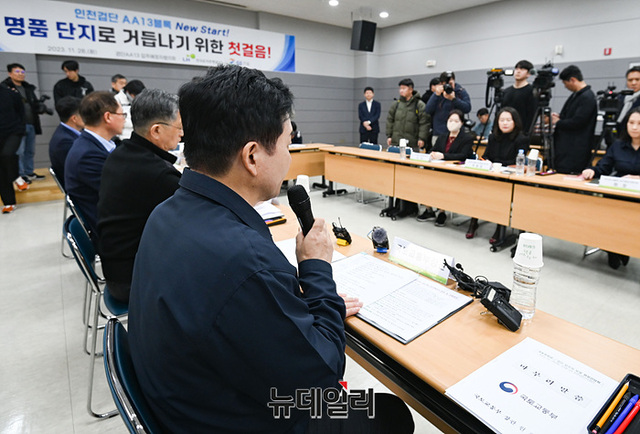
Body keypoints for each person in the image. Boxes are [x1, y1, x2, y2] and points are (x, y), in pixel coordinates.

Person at [128, 64, 413, 434]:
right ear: (252, 157)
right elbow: (324, 376)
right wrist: (317, 271)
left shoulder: (166, 213)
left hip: (195, 400)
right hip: (252, 415)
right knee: (389, 413)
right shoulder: (246, 261)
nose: (290, 157)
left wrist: (300, 305)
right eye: (287, 143)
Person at [97, 89, 182, 303]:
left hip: (116, 267)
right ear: (156, 130)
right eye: (179, 127)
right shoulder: (156, 174)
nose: (182, 133)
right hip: (131, 281)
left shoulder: (120, 154)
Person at [582, 107, 640, 269]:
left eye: (639, 123)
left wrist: (636, 178)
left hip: (637, 199)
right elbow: (604, 167)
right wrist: (592, 171)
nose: (635, 127)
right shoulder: (617, 146)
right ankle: (612, 249)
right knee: (609, 216)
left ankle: (625, 249)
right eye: (631, 122)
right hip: (617, 194)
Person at [64, 91, 125, 239]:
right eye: (122, 114)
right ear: (108, 117)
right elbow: (122, 194)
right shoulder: (87, 156)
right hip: (112, 232)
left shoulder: (95, 144)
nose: (124, 119)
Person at [466, 107, 529, 240]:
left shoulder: (521, 139)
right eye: (501, 120)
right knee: (477, 188)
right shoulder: (493, 137)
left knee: (501, 192)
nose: (504, 123)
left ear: (515, 122)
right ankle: (473, 222)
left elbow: (518, 163)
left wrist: (497, 164)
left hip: (509, 178)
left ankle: (500, 227)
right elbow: (486, 156)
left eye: (508, 120)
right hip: (492, 175)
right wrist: (487, 161)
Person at [386, 78, 429, 219]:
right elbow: (390, 120)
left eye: (404, 88)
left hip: (412, 144)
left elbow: (424, 122)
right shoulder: (397, 104)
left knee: (409, 176)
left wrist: (422, 138)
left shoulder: (419, 104)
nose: (401, 91)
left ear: (411, 89)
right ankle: (397, 204)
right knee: (397, 174)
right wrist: (389, 135)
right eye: (400, 88)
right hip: (397, 143)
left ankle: (410, 206)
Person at [428, 109, 474, 226]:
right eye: (450, 120)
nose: (452, 123)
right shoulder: (442, 137)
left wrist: (443, 156)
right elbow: (433, 150)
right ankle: (428, 209)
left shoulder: (467, 138)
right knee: (426, 179)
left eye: (456, 121)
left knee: (442, 183)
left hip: (456, 172)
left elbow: (463, 155)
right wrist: (432, 154)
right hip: (439, 170)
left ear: (461, 123)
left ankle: (442, 212)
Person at [3, 63, 45, 183]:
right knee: (19, 151)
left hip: (31, 123)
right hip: (16, 125)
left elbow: (33, 103)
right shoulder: (5, 88)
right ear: (10, 73)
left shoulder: (28, 88)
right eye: (17, 72)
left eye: (22, 72)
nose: (20, 74)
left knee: (30, 150)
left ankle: (29, 171)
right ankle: (20, 174)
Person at [551, 65, 597, 174]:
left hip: (575, 150)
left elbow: (578, 122)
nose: (565, 87)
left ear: (572, 80)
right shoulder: (576, 95)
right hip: (566, 147)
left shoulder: (587, 97)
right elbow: (571, 116)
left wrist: (558, 122)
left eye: (565, 83)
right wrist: (559, 117)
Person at [425, 71, 472, 144]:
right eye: (445, 84)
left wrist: (454, 99)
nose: (448, 86)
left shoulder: (460, 92)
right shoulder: (438, 94)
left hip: (456, 134)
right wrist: (436, 95)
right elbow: (428, 110)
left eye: (450, 83)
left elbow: (467, 108)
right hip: (439, 134)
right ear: (441, 83)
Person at [0, 82, 25, 214]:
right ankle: (9, 202)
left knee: (8, 154)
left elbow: (21, 111)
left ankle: (16, 177)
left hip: (13, 132)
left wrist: (21, 128)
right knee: (1, 170)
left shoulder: (10, 93)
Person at [48, 96, 84, 189]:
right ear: (74, 118)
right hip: (78, 189)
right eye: (84, 114)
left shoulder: (66, 133)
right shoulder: (65, 142)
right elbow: (79, 171)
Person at [501, 60, 536, 134]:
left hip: (522, 131)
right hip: (505, 131)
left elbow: (532, 115)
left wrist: (526, 133)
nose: (518, 71)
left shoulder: (531, 91)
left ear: (528, 74)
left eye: (522, 69)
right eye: (516, 69)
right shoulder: (506, 91)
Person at [617, 66, 640, 132]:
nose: (633, 83)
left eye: (637, 79)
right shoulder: (620, 97)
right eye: (630, 80)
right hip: (620, 133)